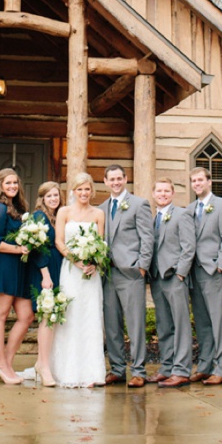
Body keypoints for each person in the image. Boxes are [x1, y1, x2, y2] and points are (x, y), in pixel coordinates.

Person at [100, 164, 154, 388]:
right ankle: (118, 369)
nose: (115, 182)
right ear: (105, 181)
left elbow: (147, 237)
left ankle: (139, 370)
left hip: (131, 273)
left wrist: (142, 266)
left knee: (135, 324)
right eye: (111, 179)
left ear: (125, 179)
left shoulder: (138, 204)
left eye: (119, 179)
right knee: (112, 325)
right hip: (107, 273)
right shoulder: (101, 208)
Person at [51, 172, 106, 388]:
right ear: (73, 191)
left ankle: (92, 372)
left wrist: (94, 262)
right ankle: (68, 370)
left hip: (91, 274)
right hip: (71, 270)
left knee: (90, 316)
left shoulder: (98, 214)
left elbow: (100, 243)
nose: (84, 193)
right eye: (80, 189)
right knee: (71, 315)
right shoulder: (64, 211)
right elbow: (59, 242)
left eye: (87, 189)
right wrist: (76, 261)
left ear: (92, 191)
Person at [186, 167, 222, 385]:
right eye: (193, 181)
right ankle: (205, 366)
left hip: (213, 271)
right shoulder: (189, 209)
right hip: (194, 272)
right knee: (202, 322)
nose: (197, 184)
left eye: (200, 180)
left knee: (217, 321)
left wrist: (221, 266)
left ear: (209, 181)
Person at [147, 178, 195, 388]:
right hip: (157, 278)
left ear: (173, 194)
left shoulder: (182, 215)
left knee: (181, 324)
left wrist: (181, 274)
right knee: (164, 325)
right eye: (159, 191)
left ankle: (182, 370)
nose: (163, 194)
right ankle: (166, 368)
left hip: (175, 277)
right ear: (154, 193)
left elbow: (188, 247)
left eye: (167, 191)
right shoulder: (153, 217)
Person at [0, 167, 32, 385]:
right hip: (3, 266)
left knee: (26, 315)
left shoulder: (17, 207)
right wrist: (19, 248)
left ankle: (6, 363)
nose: (13, 186)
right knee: (1, 315)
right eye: (8, 183)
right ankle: (2, 364)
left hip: (20, 267)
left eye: (15, 182)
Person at [26, 181, 64, 387]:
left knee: (52, 316)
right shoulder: (38, 217)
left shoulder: (59, 216)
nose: (53, 199)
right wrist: (45, 274)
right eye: (49, 196)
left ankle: (42, 362)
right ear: (42, 198)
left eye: (56, 195)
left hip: (59, 268)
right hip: (45, 270)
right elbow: (37, 247)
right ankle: (44, 366)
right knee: (47, 316)